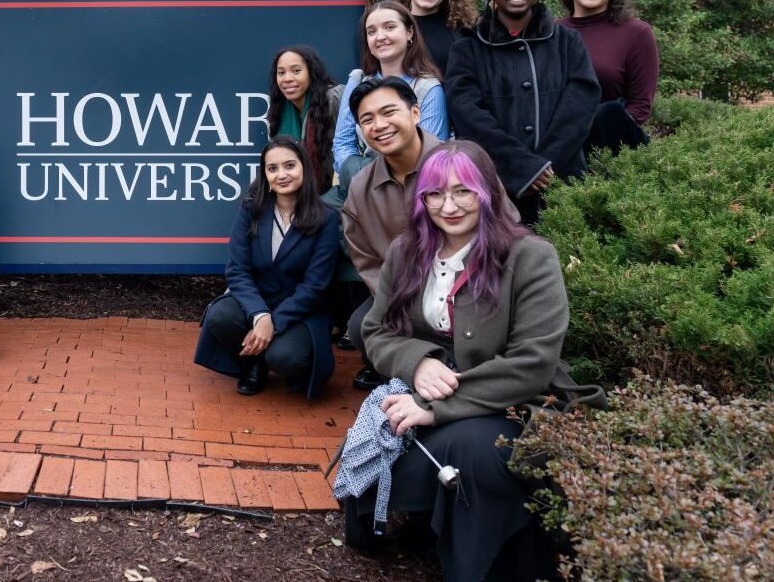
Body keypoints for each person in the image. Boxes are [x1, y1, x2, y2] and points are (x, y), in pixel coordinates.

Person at [349, 140, 605, 582]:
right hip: (424, 388)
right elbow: (375, 329)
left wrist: (435, 407)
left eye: (462, 191)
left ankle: (480, 566)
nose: (448, 206)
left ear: (487, 191)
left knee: (473, 450)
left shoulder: (530, 256)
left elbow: (533, 361)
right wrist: (418, 361)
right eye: (434, 193)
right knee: (365, 487)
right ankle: (431, 516)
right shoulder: (406, 251)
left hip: (515, 401)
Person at [339, 77, 518, 390]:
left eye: (388, 112)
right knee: (361, 326)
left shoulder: (463, 163)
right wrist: (405, 302)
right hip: (403, 295)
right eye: (367, 119)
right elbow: (365, 258)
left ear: (416, 113)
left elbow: (507, 226)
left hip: (474, 286)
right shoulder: (361, 187)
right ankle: (408, 381)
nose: (379, 125)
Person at [445, 0, 600, 226]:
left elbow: (580, 106)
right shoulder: (467, 48)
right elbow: (468, 115)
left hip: (562, 182)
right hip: (497, 187)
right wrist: (521, 168)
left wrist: (544, 167)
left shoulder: (568, 42)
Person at [194, 136, 340, 398]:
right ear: (265, 174)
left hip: (301, 310)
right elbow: (237, 270)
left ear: (304, 168)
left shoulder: (326, 218)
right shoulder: (251, 209)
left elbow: (315, 285)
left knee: (285, 356)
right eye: (272, 169)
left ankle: (296, 367)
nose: (281, 174)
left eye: (289, 166)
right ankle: (254, 365)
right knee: (221, 317)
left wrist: (274, 322)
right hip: (257, 300)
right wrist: (260, 315)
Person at [558, 0, 660, 156]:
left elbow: (640, 105)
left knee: (610, 112)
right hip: (558, 147)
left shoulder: (637, 33)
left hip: (612, 149)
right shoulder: (550, 33)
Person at [332, 1, 448, 180]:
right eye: (371, 32)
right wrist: (360, 180)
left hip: (412, 185)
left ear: (409, 32)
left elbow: (431, 154)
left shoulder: (428, 88)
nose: (380, 37)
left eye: (389, 27)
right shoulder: (358, 80)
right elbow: (342, 143)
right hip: (358, 182)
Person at [266, 45, 341, 194]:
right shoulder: (278, 112)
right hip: (300, 199)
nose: (287, 79)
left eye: (296, 71)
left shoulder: (333, 98)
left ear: (311, 73)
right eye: (281, 73)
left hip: (340, 196)